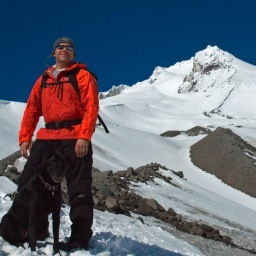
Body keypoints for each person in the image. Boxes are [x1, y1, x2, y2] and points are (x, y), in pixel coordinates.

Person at [18, 36, 99, 251]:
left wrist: (84, 136)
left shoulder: (83, 76)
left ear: (74, 53)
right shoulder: (42, 80)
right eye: (60, 47)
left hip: (74, 136)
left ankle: (80, 239)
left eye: (69, 47)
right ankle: (32, 228)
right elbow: (32, 110)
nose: (64, 49)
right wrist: (25, 137)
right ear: (54, 52)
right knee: (27, 182)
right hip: (47, 138)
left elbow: (91, 107)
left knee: (79, 188)